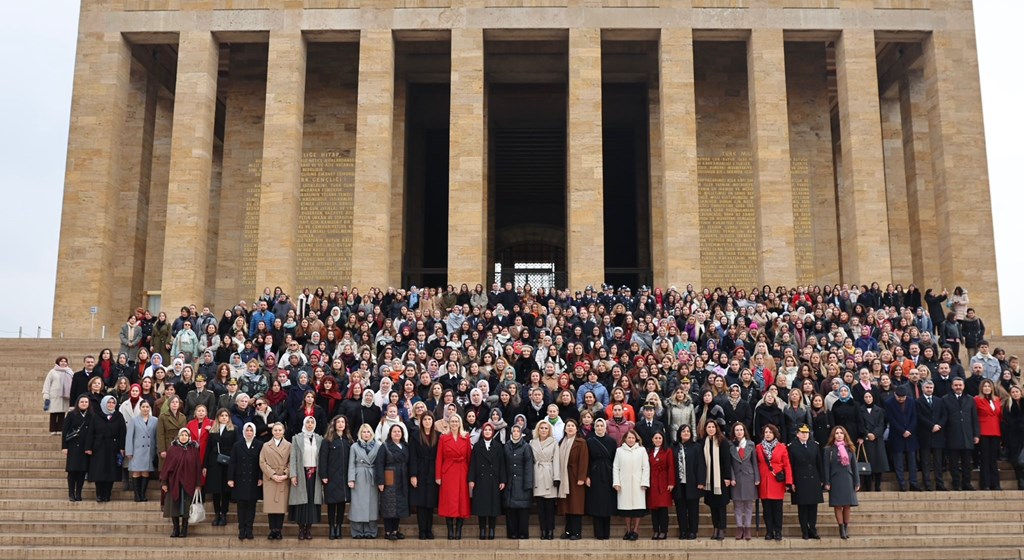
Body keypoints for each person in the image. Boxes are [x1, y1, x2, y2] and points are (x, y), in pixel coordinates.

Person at [160, 427, 202, 538]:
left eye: (186, 435)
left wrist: (198, 484)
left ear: (189, 437)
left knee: (186, 506)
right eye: (182, 435)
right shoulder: (172, 449)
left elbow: (198, 467)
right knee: (174, 506)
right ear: (178, 436)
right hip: (174, 482)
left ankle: (184, 529)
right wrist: (164, 482)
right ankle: (175, 529)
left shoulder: (193, 450)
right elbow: (166, 467)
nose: (184, 437)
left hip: (189, 482)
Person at [436, 413, 471, 540]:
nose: (454, 423)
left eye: (457, 421)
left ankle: (459, 530)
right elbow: (439, 457)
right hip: (448, 471)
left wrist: (470, 476)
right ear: (449, 423)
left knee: (462, 501)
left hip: (462, 471)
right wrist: (438, 476)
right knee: (449, 501)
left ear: (460, 423)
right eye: (452, 421)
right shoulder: (443, 437)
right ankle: (450, 530)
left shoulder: (466, 437)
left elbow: (469, 457)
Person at [85, 395, 126, 502]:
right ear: (104, 403)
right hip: (99, 447)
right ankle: (99, 494)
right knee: (99, 471)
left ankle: (107, 494)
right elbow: (90, 432)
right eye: (109, 402)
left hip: (113, 447)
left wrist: (122, 447)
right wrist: (88, 447)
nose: (111, 404)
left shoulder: (119, 416)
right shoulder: (97, 416)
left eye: (113, 403)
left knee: (111, 472)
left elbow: (122, 432)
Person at [469, 421, 505, 540]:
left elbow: (501, 465)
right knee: (481, 506)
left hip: (494, 480)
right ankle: (483, 529)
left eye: (490, 430)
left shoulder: (498, 446)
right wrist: (471, 479)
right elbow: (473, 464)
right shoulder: (477, 446)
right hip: (480, 480)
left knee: (493, 506)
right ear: (483, 432)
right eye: (485, 430)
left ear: (492, 432)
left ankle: (492, 529)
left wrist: (502, 480)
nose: (488, 432)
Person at [289, 416, 323, 540]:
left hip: (314, 474)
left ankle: (308, 529)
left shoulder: (319, 439)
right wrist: (293, 474)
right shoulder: (297, 438)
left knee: (312, 503)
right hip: (301, 472)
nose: (309, 424)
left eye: (312, 422)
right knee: (301, 502)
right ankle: (301, 528)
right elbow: (293, 458)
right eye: (307, 422)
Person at [228, 422, 263, 541]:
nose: (249, 433)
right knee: (241, 506)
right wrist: (230, 478)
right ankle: (241, 529)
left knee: (251, 506)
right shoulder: (237, 445)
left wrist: (260, 477)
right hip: (239, 479)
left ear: (254, 432)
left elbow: (261, 463)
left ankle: (249, 529)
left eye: (251, 430)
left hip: (253, 479)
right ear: (244, 432)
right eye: (247, 430)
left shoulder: (259, 444)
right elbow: (232, 463)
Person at [756, 424, 792, 541]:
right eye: (766, 432)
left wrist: (788, 482)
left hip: (777, 481)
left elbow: (787, 465)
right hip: (764, 481)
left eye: (770, 432)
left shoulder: (782, 447)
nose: (768, 434)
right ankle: (769, 531)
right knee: (767, 509)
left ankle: (778, 531)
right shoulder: (758, 447)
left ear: (775, 434)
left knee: (777, 509)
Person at [376, 424, 412, 540]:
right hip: (389, 476)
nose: (397, 433)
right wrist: (380, 481)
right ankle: (388, 531)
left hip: (402, 477)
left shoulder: (405, 446)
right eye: (394, 431)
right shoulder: (385, 446)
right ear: (390, 434)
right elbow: (379, 464)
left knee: (400, 505)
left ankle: (395, 530)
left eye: (399, 431)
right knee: (389, 504)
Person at [943, 377, 979, 491]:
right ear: (952, 386)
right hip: (952, 435)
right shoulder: (945, 399)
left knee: (967, 463)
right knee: (953, 463)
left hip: (967, 435)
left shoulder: (970, 399)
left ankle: (966, 483)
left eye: (960, 385)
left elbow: (974, 418)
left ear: (963, 386)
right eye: (956, 385)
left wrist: (976, 435)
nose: (958, 387)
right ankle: (956, 483)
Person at [613, 428, 649, 541]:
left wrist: (644, 482)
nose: (631, 440)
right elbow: (616, 467)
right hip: (624, 483)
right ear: (625, 439)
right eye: (629, 437)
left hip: (638, 484)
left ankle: (635, 531)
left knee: (637, 509)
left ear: (636, 439)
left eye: (633, 438)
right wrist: (616, 483)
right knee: (626, 509)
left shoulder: (642, 450)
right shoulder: (619, 451)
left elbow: (646, 467)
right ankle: (628, 530)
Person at [319, 415, 352, 540]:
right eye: (338, 422)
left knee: (342, 503)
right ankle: (331, 527)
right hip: (331, 477)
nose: (341, 424)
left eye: (343, 422)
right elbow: (323, 459)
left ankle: (339, 526)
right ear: (334, 424)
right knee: (332, 504)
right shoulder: (327, 440)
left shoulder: (348, 440)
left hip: (344, 477)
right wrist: (324, 475)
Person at [788, 424, 823, 540]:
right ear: (797, 434)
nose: (804, 435)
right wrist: (791, 482)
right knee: (802, 508)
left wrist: (822, 479)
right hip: (799, 480)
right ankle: (805, 530)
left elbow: (819, 464)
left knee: (813, 507)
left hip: (814, 479)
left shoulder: (815, 445)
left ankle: (812, 529)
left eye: (806, 433)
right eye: (802, 432)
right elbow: (791, 466)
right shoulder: (792, 447)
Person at [698, 419, 731, 540]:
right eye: (708, 427)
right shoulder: (703, 443)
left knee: (721, 505)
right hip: (709, 479)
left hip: (720, 479)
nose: (711, 429)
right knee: (712, 505)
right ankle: (715, 528)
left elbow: (727, 461)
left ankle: (722, 528)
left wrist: (728, 477)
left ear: (716, 428)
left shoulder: (723, 442)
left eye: (713, 427)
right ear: (705, 429)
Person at [824, 426, 859, 539]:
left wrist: (857, 481)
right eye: (837, 433)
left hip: (848, 478)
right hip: (835, 479)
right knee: (838, 505)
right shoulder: (828, 449)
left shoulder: (850, 448)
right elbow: (826, 467)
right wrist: (827, 481)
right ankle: (841, 528)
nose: (839, 435)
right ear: (833, 435)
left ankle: (846, 527)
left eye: (841, 433)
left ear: (845, 435)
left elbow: (854, 466)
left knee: (847, 505)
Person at [557, 418, 589, 540]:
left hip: (576, 477)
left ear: (576, 429)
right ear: (565, 429)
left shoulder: (581, 442)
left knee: (576, 505)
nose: (570, 428)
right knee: (567, 506)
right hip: (564, 476)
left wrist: (582, 477)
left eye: (572, 426)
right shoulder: (561, 442)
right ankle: (568, 531)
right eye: (568, 426)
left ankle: (576, 532)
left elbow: (584, 460)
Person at [585, 418, 616, 540]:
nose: (599, 428)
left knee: (607, 504)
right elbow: (586, 460)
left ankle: (606, 533)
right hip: (595, 473)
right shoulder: (589, 441)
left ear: (605, 427)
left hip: (608, 473)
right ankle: (598, 533)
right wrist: (587, 475)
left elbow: (615, 460)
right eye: (597, 425)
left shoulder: (612, 441)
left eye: (601, 425)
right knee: (596, 503)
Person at [348, 423, 382, 539]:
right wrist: (351, 479)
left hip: (372, 476)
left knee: (372, 505)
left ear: (371, 433)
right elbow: (351, 463)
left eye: (368, 432)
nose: (366, 434)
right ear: (360, 434)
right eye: (364, 432)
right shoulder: (354, 446)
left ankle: (371, 531)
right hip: (359, 476)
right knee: (357, 504)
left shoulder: (378, 446)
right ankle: (357, 531)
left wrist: (380, 480)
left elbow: (380, 464)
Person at [259, 422, 292, 540]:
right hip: (270, 478)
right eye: (275, 430)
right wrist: (272, 475)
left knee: (280, 507)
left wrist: (286, 474)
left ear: (283, 431)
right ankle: (272, 529)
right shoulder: (266, 445)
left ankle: (279, 530)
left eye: (280, 430)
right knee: (271, 506)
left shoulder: (289, 445)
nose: (277, 432)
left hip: (283, 478)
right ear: (272, 432)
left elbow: (292, 461)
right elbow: (262, 462)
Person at [409, 413, 439, 540]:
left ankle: (429, 530)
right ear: (421, 421)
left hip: (432, 471)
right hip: (420, 470)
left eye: (429, 419)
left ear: (433, 421)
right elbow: (412, 456)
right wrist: (413, 474)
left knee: (430, 503)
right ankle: (422, 530)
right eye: (425, 419)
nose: (427, 421)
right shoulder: (415, 435)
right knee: (421, 503)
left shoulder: (438, 436)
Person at [885, 385, 920, 491]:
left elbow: (915, 417)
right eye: (899, 397)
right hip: (897, 435)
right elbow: (891, 419)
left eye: (903, 397)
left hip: (911, 435)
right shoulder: (889, 403)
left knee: (912, 462)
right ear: (895, 394)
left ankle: (913, 483)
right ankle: (902, 484)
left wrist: (909, 430)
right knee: (898, 462)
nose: (901, 399)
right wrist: (902, 431)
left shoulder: (911, 401)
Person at [205, 408, 237, 525]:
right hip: (214, 463)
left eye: (226, 415)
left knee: (226, 491)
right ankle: (217, 514)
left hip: (227, 462)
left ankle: (224, 514)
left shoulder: (234, 430)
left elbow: (236, 447)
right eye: (221, 415)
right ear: (218, 417)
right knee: (216, 490)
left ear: (229, 418)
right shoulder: (213, 430)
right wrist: (205, 466)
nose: (224, 417)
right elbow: (208, 448)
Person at [671, 424, 703, 540]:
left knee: (693, 509)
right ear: (679, 433)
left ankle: (693, 531)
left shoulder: (696, 447)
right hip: (679, 484)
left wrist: (701, 481)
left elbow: (701, 465)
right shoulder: (674, 447)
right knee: (680, 509)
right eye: (683, 431)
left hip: (693, 483)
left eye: (688, 431)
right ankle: (683, 530)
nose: (686, 433)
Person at [530, 419, 561, 540]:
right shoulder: (532, 442)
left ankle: (550, 530)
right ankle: (543, 530)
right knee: (540, 508)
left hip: (549, 474)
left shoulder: (554, 442)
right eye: (541, 428)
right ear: (538, 429)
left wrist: (556, 477)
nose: (543, 430)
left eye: (546, 428)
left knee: (550, 508)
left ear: (549, 430)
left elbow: (557, 461)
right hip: (537, 474)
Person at [728, 422, 758, 540]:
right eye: (736, 430)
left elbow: (754, 462)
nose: (739, 432)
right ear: (733, 432)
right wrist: (732, 478)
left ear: (744, 431)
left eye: (741, 430)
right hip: (736, 478)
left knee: (749, 505)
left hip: (749, 477)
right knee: (738, 505)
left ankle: (747, 528)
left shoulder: (751, 444)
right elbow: (729, 464)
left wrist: (757, 478)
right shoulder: (730, 445)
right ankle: (739, 527)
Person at [916, 380, 947, 491]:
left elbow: (944, 415)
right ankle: (927, 484)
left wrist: (938, 425)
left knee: (938, 462)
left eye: (931, 387)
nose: (929, 389)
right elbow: (919, 416)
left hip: (938, 434)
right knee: (925, 461)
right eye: (927, 387)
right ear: (923, 389)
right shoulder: (918, 401)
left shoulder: (939, 401)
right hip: (925, 435)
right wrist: (931, 426)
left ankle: (940, 484)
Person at [124, 400, 157, 502]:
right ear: (140, 408)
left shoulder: (155, 420)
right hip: (137, 450)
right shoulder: (134, 420)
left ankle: (143, 494)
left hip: (149, 450)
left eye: (147, 407)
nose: (145, 409)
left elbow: (156, 436)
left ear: (150, 408)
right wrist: (129, 451)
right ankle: (137, 495)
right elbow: (129, 437)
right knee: (137, 471)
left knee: (146, 472)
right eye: (143, 407)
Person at [974, 378, 1003, 490]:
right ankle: (985, 484)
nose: (987, 388)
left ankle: (995, 484)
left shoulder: (997, 400)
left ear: (992, 388)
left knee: (993, 459)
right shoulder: (977, 399)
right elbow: (974, 416)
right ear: (981, 388)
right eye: (985, 386)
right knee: (985, 459)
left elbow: (1000, 416)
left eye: (989, 386)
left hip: (995, 432)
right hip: (983, 432)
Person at [646, 431, 675, 540]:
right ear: (652, 440)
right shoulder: (650, 451)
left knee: (663, 508)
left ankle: (663, 531)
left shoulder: (667, 451)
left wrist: (671, 482)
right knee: (654, 509)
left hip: (663, 482)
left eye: (660, 438)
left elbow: (671, 467)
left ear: (663, 440)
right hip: (653, 482)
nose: (658, 440)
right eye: (656, 438)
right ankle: (656, 530)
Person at [62, 395, 92, 502]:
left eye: (86, 402)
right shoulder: (71, 414)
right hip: (73, 446)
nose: (84, 403)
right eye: (82, 402)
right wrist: (64, 447)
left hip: (85, 447)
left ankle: (78, 493)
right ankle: (71, 493)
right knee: (72, 471)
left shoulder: (91, 416)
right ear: (78, 403)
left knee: (82, 471)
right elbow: (65, 431)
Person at [859, 391, 889, 491]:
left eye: (869, 396)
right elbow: (861, 424)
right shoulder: (860, 410)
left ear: (873, 397)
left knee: (878, 464)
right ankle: (868, 487)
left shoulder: (879, 410)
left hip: (877, 439)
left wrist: (874, 434)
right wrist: (867, 434)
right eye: (866, 397)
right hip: (866, 440)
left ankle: (877, 486)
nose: (868, 398)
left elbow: (882, 424)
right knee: (868, 463)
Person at [44, 356, 75, 435]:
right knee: (53, 413)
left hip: (65, 396)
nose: (63, 363)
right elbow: (47, 383)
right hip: (54, 395)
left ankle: (60, 429)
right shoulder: (52, 371)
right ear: (58, 362)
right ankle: (53, 430)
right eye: (61, 361)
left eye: (65, 361)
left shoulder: (69, 371)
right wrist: (46, 394)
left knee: (62, 413)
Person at [1002, 386, 1024, 490]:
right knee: (1018, 460)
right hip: (1014, 436)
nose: (1015, 393)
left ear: (1021, 392)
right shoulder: (1008, 406)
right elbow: (1008, 420)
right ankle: (1020, 480)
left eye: (1017, 391)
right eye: (1013, 392)